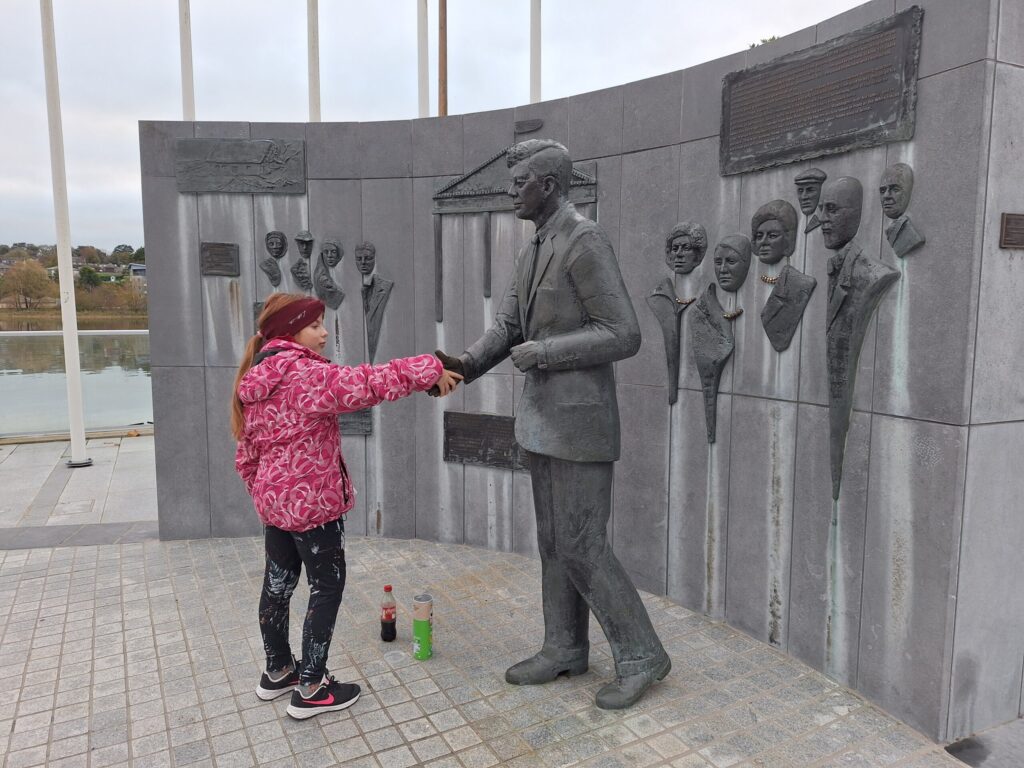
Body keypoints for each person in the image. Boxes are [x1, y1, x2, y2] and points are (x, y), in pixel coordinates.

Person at [435, 139, 670, 710]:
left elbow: (625, 333)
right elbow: (508, 324)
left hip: (582, 427)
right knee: (552, 543)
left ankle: (642, 654)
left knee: (583, 544)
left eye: (521, 182)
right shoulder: (534, 245)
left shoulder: (584, 240)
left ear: (551, 185)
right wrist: (464, 365)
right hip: (542, 424)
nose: (512, 190)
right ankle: (564, 646)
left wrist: (545, 353)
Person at [231, 293, 462, 719]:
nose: (323, 335)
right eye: (316, 325)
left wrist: (268, 493)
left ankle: (279, 670)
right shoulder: (303, 375)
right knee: (326, 588)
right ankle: (312, 688)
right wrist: (430, 368)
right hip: (314, 509)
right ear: (290, 330)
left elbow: (246, 454)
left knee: (278, 586)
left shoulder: (259, 377)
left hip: (276, 507)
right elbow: (368, 382)